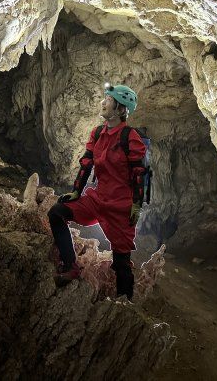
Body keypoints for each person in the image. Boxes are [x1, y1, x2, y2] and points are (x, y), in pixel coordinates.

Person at [47, 83, 147, 301]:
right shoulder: (98, 133)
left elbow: (139, 173)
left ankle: (123, 307)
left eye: (108, 100)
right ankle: (70, 266)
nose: (103, 102)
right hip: (97, 199)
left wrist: (137, 204)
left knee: (121, 263)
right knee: (56, 212)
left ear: (120, 109)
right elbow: (86, 164)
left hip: (120, 207)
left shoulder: (130, 137)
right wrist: (76, 192)